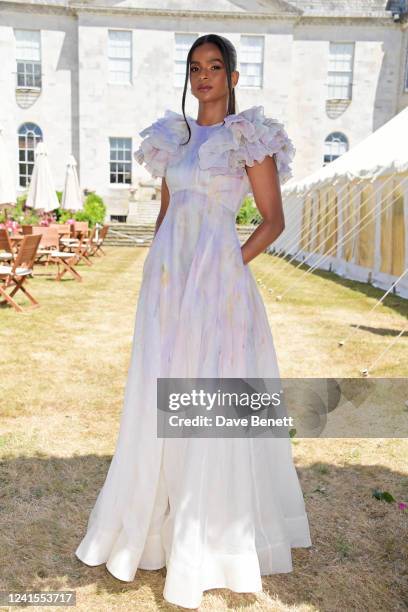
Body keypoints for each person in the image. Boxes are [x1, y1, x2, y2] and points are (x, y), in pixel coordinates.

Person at [75, 33, 312, 609]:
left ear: (232, 77)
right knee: (161, 395)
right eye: (194, 67)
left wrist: (228, 265)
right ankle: (153, 519)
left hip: (218, 286)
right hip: (167, 286)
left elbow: (273, 220)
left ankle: (211, 535)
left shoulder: (247, 137)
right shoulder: (172, 139)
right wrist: (157, 279)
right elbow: (165, 210)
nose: (203, 76)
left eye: (214, 66)